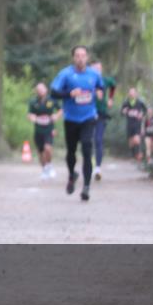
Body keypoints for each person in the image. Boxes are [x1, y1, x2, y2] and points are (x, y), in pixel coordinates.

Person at [49, 46, 104, 201]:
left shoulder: (94, 74)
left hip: (88, 117)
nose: (80, 58)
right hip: (71, 119)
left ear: (87, 58)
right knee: (71, 151)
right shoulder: (66, 74)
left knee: (87, 148)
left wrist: (100, 92)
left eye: (83, 55)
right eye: (77, 56)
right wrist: (69, 94)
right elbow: (53, 92)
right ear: (73, 58)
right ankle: (72, 175)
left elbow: (101, 86)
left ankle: (86, 187)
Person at [27, 82, 63, 179]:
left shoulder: (51, 100)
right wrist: (32, 117)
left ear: (46, 90)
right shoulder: (33, 102)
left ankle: (50, 166)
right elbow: (29, 114)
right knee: (40, 151)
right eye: (38, 90)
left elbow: (61, 110)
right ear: (36, 91)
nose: (40, 91)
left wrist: (56, 116)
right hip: (38, 129)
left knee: (48, 148)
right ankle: (44, 169)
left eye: (42, 89)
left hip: (49, 129)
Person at [91, 60, 116, 181]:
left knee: (98, 139)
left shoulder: (105, 80)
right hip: (87, 114)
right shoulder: (85, 80)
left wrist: (111, 99)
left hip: (101, 113)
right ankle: (89, 163)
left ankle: (98, 168)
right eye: (94, 68)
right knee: (88, 140)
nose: (97, 70)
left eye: (99, 68)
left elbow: (113, 85)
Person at [120, 88, 148, 161]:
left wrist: (142, 114)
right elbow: (121, 112)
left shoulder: (140, 102)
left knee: (137, 139)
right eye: (130, 93)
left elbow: (145, 111)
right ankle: (134, 155)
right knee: (131, 143)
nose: (131, 94)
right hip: (129, 124)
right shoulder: (126, 103)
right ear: (129, 94)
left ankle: (139, 154)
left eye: (133, 93)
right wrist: (123, 111)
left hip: (137, 124)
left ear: (136, 94)